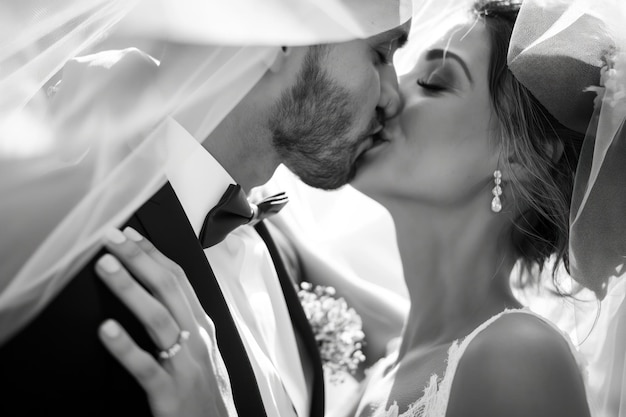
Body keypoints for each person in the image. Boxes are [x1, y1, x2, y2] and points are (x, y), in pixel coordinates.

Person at [96, 0, 624, 415]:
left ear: (517, 155)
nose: (389, 98)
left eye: (435, 83)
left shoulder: (519, 358)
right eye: (384, 59)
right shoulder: (382, 371)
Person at [0, 1, 412, 416]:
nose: (393, 98)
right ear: (281, 36)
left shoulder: (274, 245)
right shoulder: (75, 254)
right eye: (379, 55)